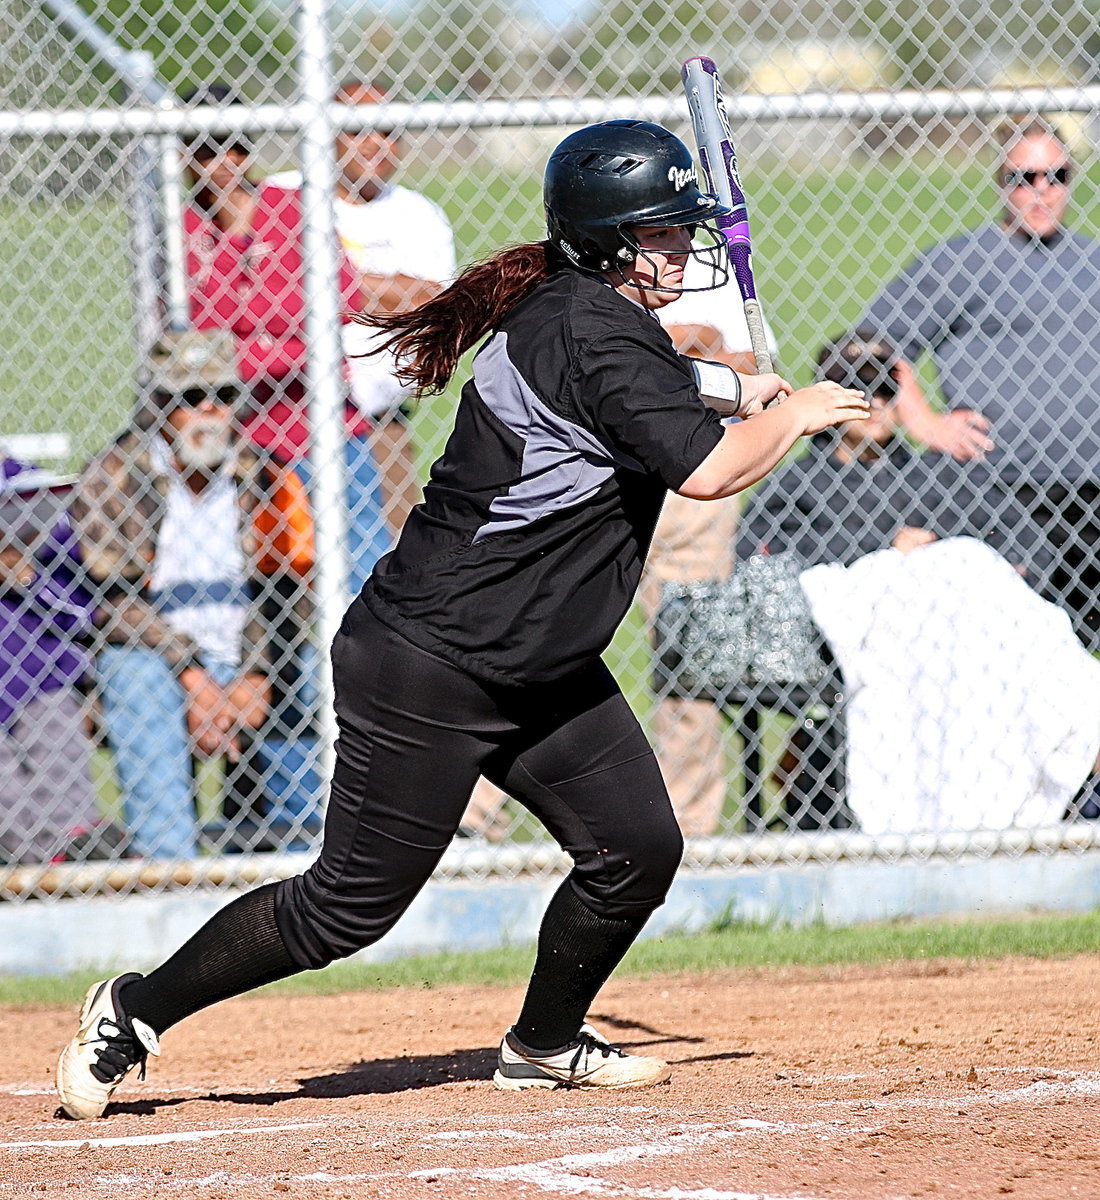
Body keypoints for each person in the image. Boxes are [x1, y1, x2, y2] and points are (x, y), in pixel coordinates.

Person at [56, 120, 866, 1118]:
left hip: (536, 661)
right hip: (430, 660)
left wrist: (737, 384)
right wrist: (793, 413)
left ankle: (543, 1042)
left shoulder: (577, 308)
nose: (679, 249)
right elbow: (709, 470)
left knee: (635, 850)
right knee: (344, 911)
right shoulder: (592, 329)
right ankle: (132, 1010)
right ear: (607, 243)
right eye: (659, 233)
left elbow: (650, 377)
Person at [735, 333, 1053, 829]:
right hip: (862, 637)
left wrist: (984, 562)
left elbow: (1028, 544)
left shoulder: (935, 474)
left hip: (965, 640)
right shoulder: (796, 484)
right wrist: (883, 550)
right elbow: (756, 557)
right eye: (861, 391)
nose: (876, 405)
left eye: (886, 391)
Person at [70, 329, 319, 859]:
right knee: (130, 674)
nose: (209, 410)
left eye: (223, 396)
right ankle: (169, 868)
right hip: (161, 660)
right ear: (159, 405)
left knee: (314, 676)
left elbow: (288, 590)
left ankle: (297, 862)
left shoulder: (268, 476)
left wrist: (255, 673)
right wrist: (193, 676)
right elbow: (111, 604)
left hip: (248, 657)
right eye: (189, 398)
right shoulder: (113, 475)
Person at [857, 118, 1100, 651]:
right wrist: (924, 422)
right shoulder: (960, 262)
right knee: (1011, 650)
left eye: (1055, 176)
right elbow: (872, 344)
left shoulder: (1091, 261)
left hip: (1091, 490)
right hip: (999, 493)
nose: (1041, 191)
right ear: (1001, 181)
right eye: (1024, 177)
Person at [182, 87, 391, 597]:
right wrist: (284, 324)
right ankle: (292, 680)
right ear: (186, 160)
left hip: (324, 426)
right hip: (236, 441)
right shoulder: (183, 226)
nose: (222, 165)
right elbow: (192, 330)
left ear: (248, 152)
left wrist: (243, 337)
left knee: (363, 573)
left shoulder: (291, 207)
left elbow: (340, 295)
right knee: (267, 592)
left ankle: (367, 676)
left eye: (234, 148)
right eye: (205, 151)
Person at [267, 81, 457, 535]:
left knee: (391, 550)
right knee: (281, 551)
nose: (375, 142)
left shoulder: (419, 215)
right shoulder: (283, 196)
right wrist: (390, 291)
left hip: (379, 421)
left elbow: (435, 308)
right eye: (356, 129)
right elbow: (268, 294)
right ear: (325, 133)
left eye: (387, 130)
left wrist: (323, 280)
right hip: (281, 406)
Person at [0, 458, 101, 864]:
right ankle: (29, 864)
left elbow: (79, 613)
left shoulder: (23, 479)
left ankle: (72, 852)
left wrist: (22, 571)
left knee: (55, 731)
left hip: (39, 676)